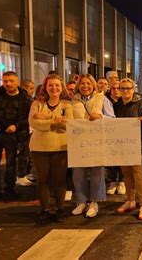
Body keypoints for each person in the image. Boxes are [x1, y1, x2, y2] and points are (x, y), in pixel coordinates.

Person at [29, 74, 73, 222]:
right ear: (45, 87)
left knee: (60, 180)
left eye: (57, 85)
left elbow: (69, 124)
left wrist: (46, 119)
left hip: (60, 147)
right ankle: (45, 209)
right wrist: (55, 121)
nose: (54, 88)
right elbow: (34, 123)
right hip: (39, 148)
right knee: (43, 180)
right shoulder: (37, 104)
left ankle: (60, 208)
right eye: (50, 85)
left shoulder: (67, 105)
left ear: (62, 88)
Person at [0, 71, 33, 201]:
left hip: (13, 136)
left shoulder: (26, 98)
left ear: (17, 82)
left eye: (11, 81)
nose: (8, 84)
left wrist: (16, 126)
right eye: (5, 81)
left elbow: (29, 117)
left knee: (11, 164)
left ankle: (9, 190)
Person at [114, 78, 142, 220]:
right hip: (122, 145)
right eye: (123, 88)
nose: (125, 91)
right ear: (119, 90)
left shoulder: (141, 104)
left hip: (138, 146)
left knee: (139, 175)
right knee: (126, 174)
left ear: (133, 89)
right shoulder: (116, 105)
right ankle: (130, 200)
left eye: (128, 88)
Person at [71, 74, 107, 218]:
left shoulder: (102, 99)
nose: (85, 86)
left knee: (96, 173)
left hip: (97, 141)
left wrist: (100, 117)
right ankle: (81, 201)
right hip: (78, 141)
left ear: (93, 85)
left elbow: (111, 117)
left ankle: (94, 202)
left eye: (88, 84)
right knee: (78, 173)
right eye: (82, 84)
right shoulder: (73, 101)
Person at [105, 81, 125, 196]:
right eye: (114, 88)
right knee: (112, 160)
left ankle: (122, 182)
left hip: (123, 136)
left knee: (121, 159)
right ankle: (113, 182)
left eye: (119, 88)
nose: (116, 90)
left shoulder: (126, 102)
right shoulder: (105, 101)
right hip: (109, 135)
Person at [15, 79, 37, 186]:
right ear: (25, 87)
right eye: (31, 88)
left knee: (24, 153)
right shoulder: (27, 99)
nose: (33, 91)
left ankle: (22, 174)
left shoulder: (18, 98)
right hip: (25, 129)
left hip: (21, 128)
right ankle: (21, 175)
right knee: (24, 153)